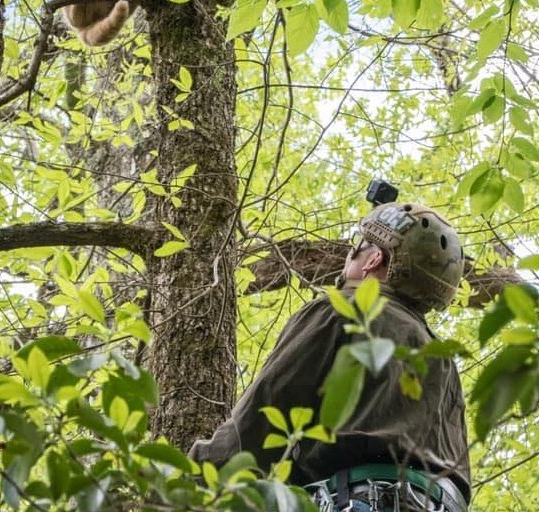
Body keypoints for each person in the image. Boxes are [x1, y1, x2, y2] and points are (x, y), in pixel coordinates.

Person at [189, 201, 470, 512]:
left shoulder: (342, 310)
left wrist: (191, 477)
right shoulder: (441, 360)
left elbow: (263, 416)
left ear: (374, 259)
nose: (351, 253)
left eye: (359, 245)